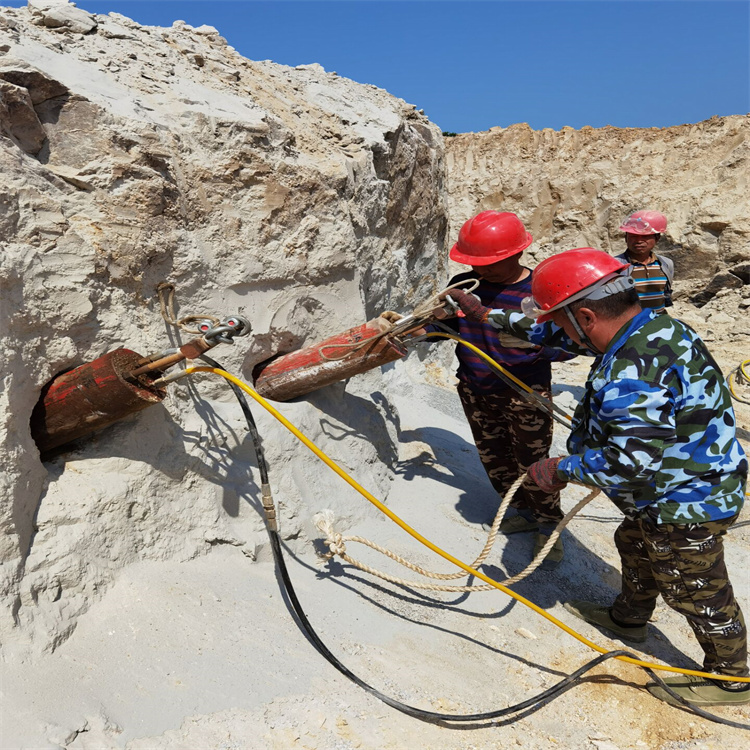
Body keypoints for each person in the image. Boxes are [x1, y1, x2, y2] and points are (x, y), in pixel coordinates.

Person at [446, 248, 749, 706]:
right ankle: (629, 618)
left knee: (695, 588)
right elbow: (552, 333)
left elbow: (628, 461)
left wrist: (558, 468)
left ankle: (733, 679)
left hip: (686, 499)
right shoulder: (649, 325)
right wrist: (487, 316)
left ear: (587, 315)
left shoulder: (629, 373)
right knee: (634, 543)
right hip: (669, 488)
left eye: (565, 323)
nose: (559, 334)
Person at [428, 210, 574, 568]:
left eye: (488, 263)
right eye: (473, 262)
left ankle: (549, 525)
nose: (480, 270)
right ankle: (520, 510)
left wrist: (539, 348)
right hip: (476, 389)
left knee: (534, 463)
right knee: (495, 457)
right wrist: (427, 322)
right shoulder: (465, 286)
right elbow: (442, 329)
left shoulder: (540, 291)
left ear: (516, 254)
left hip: (526, 394)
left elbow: (571, 344)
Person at [616, 210, 674, 313]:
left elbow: (664, 294)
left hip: (659, 322)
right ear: (626, 238)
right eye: (633, 236)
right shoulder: (615, 265)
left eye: (645, 236)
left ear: (657, 238)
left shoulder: (665, 264)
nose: (638, 241)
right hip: (631, 326)